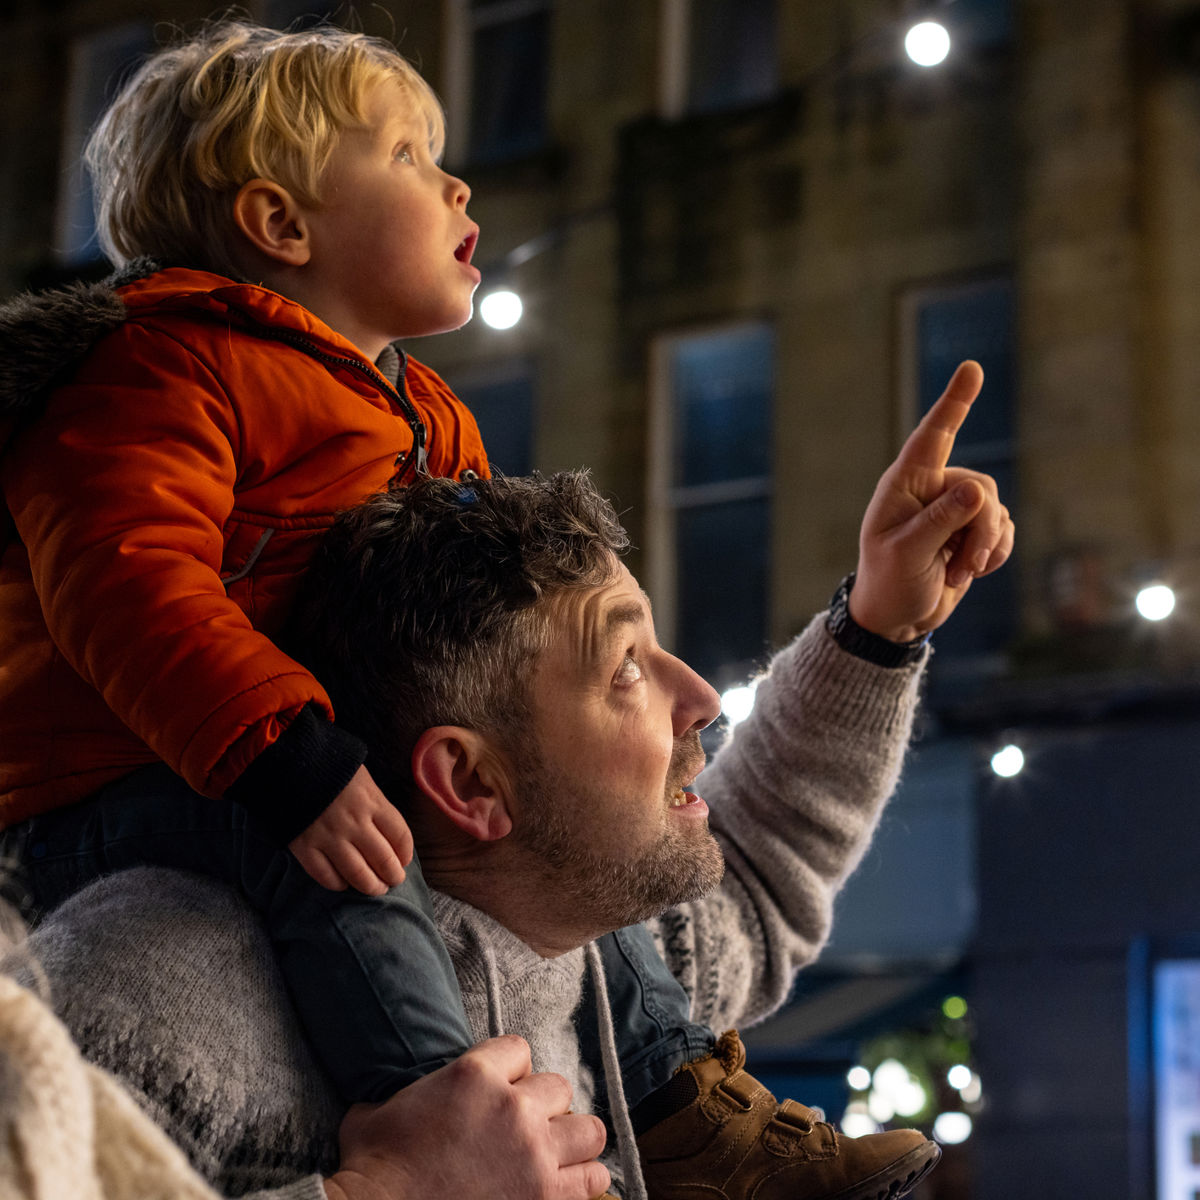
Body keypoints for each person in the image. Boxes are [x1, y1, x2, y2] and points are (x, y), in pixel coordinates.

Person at [0, 16, 1009, 1198]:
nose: (457, 178)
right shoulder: (160, 370)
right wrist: (397, 1186)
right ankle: (451, 1098)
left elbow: (748, 867)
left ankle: (678, 1098)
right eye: (408, 156)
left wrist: (881, 627)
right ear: (279, 223)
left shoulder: (427, 417)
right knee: (338, 872)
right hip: (130, 783)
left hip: (311, 766)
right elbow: (124, 577)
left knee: (560, 880)